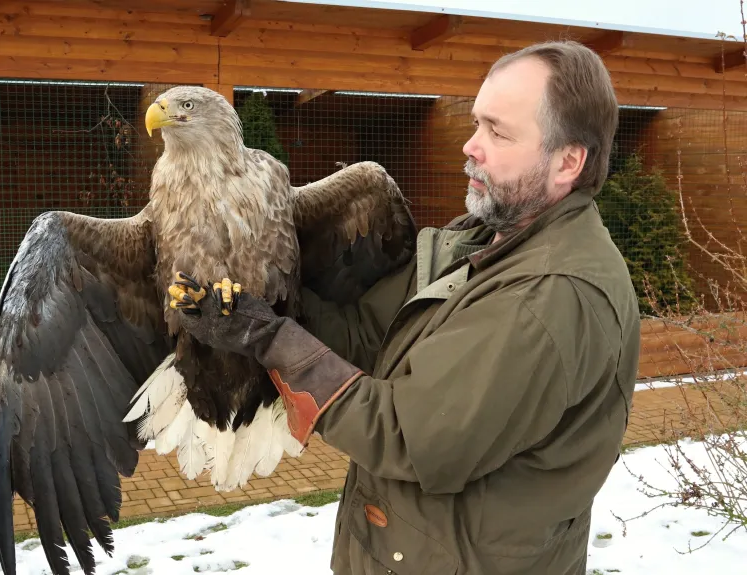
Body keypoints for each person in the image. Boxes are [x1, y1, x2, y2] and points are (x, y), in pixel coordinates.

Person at [171, 40, 640, 574]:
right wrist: (267, 309)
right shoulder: (487, 244)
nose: (470, 145)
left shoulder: (549, 295)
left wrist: (272, 341)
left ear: (568, 162)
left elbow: (408, 438)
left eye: (498, 132)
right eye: (476, 123)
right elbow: (371, 333)